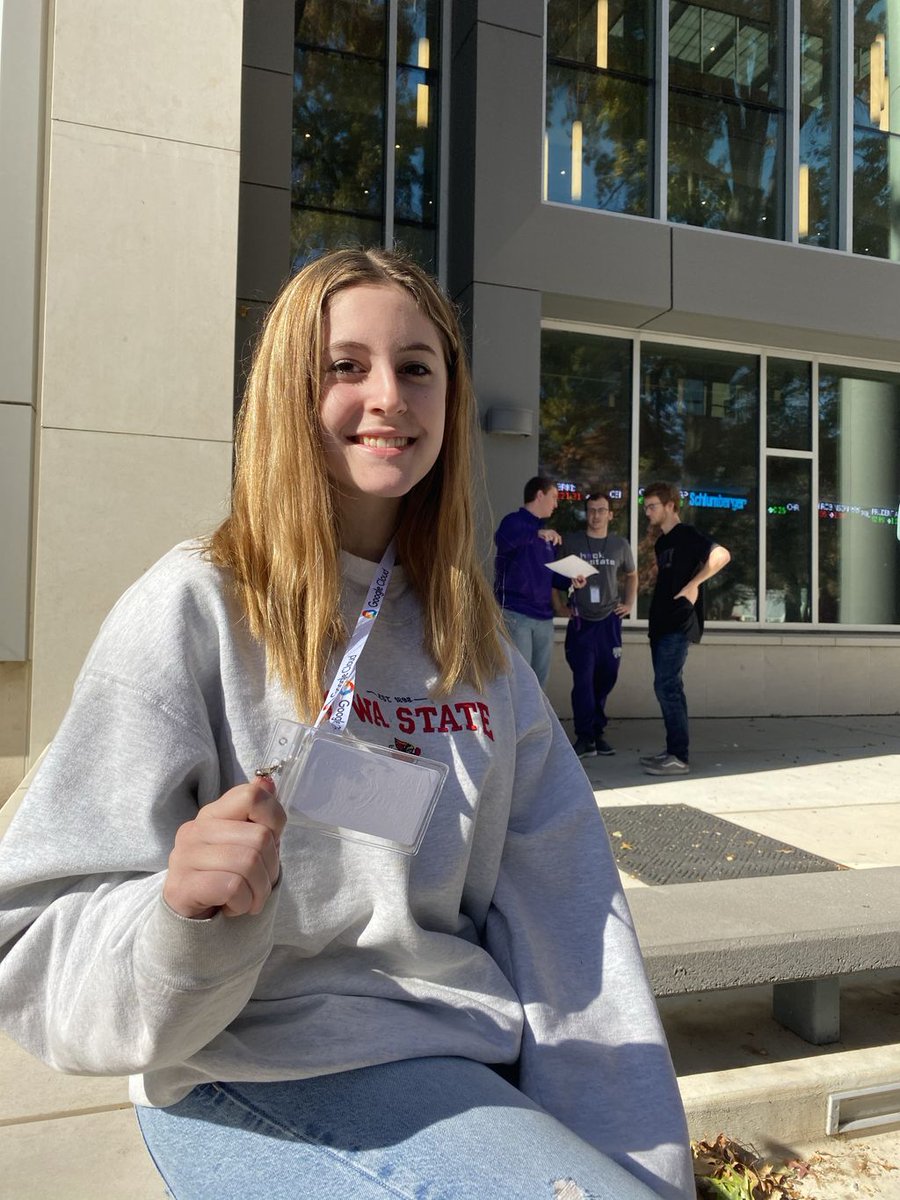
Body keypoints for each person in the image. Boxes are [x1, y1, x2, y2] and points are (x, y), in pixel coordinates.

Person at [0, 250, 694, 1200]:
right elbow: (32, 936)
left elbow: (573, 928)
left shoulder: (477, 653)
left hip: (454, 1068)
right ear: (292, 389)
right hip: (242, 1073)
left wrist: (642, 1173)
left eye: (417, 367)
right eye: (345, 366)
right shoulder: (194, 609)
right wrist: (181, 923)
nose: (388, 397)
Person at [641, 482, 731, 777]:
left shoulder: (689, 536)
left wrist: (694, 584)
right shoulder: (661, 543)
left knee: (667, 686)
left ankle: (679, 756)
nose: (647, 511)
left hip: (679, 623)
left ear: (670, 506)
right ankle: (672, 751)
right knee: (666, 686)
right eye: (646, 507)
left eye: (653, 506)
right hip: (660, 623)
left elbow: (722, 556)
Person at [553, 491, 637, 758]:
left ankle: (597, 731)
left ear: (610, 514)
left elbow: (633, 575)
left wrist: (630, 603)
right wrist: (559, 606)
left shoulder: (619, 545)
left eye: (601, 510)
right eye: (591, 510)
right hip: (581, 622)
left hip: (609, 622)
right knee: (583, 680)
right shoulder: (573, 542)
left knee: (606, 676)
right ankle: (584, 736)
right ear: (586, 513)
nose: (596, 515)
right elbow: (554, 578)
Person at [493, 476, 561, 689]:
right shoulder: (513, 522)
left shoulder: (548, 536)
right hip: (516, 613)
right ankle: (513, 723)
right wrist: (535, 533)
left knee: (539, 683)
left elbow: (550, 575)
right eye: (554, 497)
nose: (556, 504)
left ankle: (536, 723)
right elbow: (503, 540)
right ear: (540, 495)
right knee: (519, 680)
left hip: (544, 618)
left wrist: (572, 580)